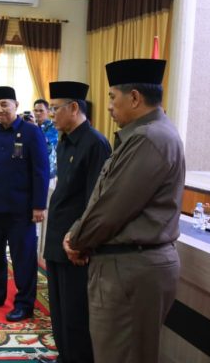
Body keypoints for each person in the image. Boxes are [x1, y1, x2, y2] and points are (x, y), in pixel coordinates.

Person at [64, 59, 183, 363]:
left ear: (134, 97)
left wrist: (76, 240)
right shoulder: (147, 133)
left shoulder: (149, 138)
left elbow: (112, 208)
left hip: (131, 270)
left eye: (112, 97)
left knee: (120, 355)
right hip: (125, 267)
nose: (108, 107)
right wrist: (78, 233)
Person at [44, 81, 111, 363]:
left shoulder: (95, 144)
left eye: (55, 108)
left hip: (76, 245)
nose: (51, 115)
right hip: (57, 240)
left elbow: (96, 202)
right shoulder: (64, 140)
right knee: (58, 311)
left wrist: (80, 241)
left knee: (76, 315)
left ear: (74, 108)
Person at [0, 86, 49, 322]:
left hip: (21, 209)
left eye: (4, 104)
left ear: (16, 105)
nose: (0, 109)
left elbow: (41, 170)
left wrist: (39, 205)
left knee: (23, 258)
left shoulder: (31, 132)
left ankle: (24, 304)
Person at [33, 99, 59, 179]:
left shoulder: (53, 126)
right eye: (36, 111)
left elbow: (44, 142)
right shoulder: (31, 126)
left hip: (48, 171)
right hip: (33, 170)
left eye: (41, 111)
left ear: (48, 111)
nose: (38, 113)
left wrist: (33, 128)